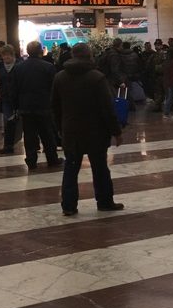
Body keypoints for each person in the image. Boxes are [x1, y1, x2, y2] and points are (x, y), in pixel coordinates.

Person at [52, 42, 124, 216]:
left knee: (71, 169)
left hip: (71, 130)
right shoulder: (97, 77)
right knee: (100, 168)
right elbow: (107, 108)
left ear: (72, 55)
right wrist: (116, 131)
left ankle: (68, 206)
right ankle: (105, 202)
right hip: (96, 132)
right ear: (89, 56)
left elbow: (54, 106)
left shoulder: (60, 77)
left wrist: (60, 128)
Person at [7, 41, 61, 170]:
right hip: (44, 105)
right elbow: (54, 88)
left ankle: (31, 160)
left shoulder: (18, 68)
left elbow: (14, 89)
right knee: (47, 134)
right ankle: (52, 159)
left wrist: (15, 106)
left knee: (29, 135)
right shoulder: (48, 67)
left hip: (26, 106)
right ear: (40, 51)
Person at [0, 45, 19, 154]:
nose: (6, 57)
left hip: (17, 97)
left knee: (18, 122)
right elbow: (0, 81)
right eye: (4, 55)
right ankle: (8, 146)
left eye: (8, 55)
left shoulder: (18, 65)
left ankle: (14, 142)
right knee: (7, 121)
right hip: (5, 96)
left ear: (12, 55)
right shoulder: (1, 66)